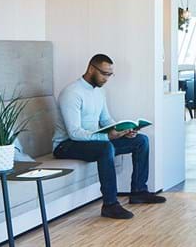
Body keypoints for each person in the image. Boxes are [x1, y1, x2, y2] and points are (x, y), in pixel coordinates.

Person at [53, 54, 165, 220]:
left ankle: (139, 192)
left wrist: (124, 131)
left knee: (141, 141)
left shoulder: (99, 92)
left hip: (90, 141)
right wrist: (107, 137)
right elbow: (74, 133)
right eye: (104, 74)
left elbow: (106, 120)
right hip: (66, 145)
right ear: (91, 69)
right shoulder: (71, 93)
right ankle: (110, 205)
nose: (106, 78)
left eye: (110, 75)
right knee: (106, 147)